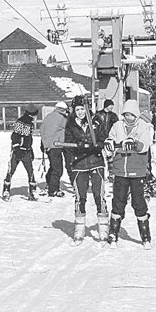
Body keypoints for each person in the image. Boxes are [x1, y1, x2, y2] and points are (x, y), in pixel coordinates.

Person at [104, 100, 154, 248]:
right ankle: (113, 234)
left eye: (131, 115)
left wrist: (134, 143)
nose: (128, 117)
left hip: (137, 170)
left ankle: (145, 236)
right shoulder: (118, 125)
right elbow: (112, 137)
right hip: (120, 170)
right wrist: (110, 142)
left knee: (138, 202)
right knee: (118, 201)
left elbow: (145, 146)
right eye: (126, 114)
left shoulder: (144, 127)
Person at [64, 95, 108, 242]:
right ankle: (79, 229)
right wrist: (78, 146)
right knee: (80, 197)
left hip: (96, 161)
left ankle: (103, 229)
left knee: (98, 195)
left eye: (83, 109)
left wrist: (100, 144)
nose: (80, 112)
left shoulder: (96, 121)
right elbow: (67, 144)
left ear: (87, 108)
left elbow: (104, 137)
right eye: (77, 109)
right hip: (79, 164)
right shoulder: (70, 124)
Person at [2, 104, 39, 201]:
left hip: (26, 151)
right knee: (11, 170)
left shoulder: (30, 123)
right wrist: (16, 147)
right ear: (32, 114)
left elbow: (28, 138)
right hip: (18, 152)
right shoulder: (21, 121)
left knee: (30, 170)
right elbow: (15, 136)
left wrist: (30, 150)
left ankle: (32, 191)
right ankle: (6, 190)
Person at [40, 101, 69, 197]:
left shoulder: (48, 117)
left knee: (53, 166)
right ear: (62, 109)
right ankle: (53, 189)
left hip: (48, 145)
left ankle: (49, 183)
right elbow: (70, 127)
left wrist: (44, 144)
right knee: (58, 169)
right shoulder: (61, 118)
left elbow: (42, 130)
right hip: (56, 145)